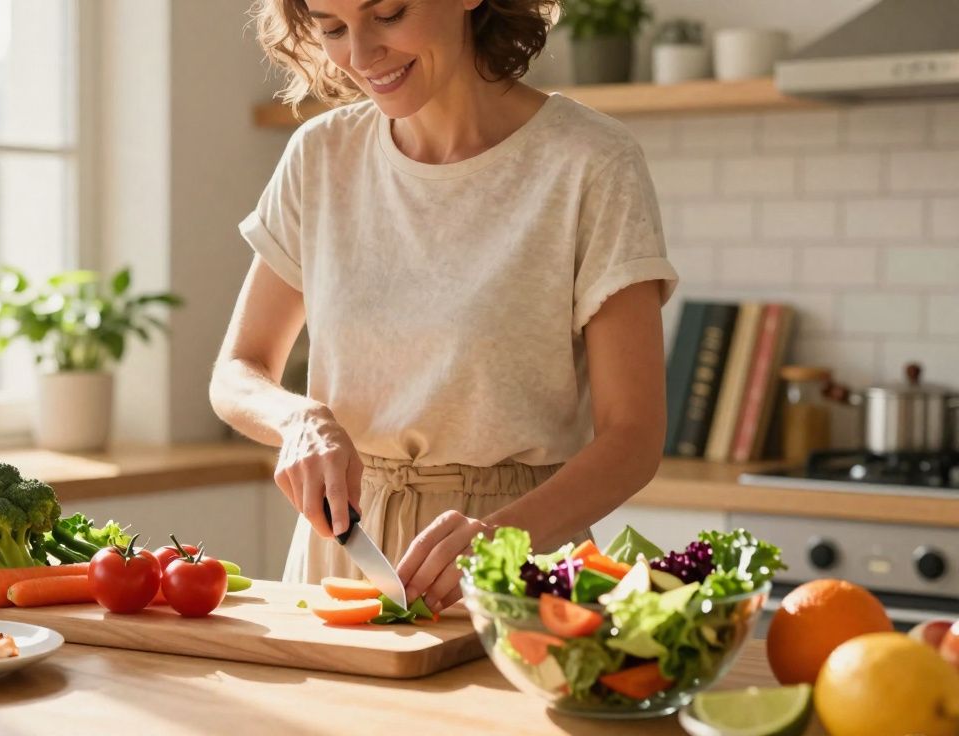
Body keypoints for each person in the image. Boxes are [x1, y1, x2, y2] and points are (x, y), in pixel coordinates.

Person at [209, 0, 679, 613]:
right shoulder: (321, 156)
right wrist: (299, 421)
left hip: (513, 560)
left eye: (389, 13)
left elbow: (633, 437)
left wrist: (501, 541)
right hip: (342, 555)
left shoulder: (590, 162)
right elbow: (238, 370)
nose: (358, 54)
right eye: (331, 28)